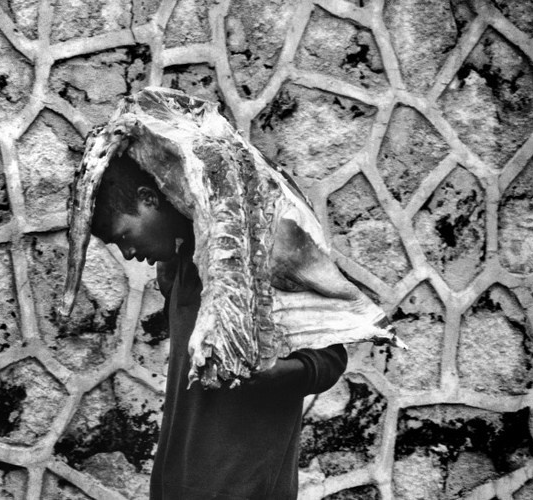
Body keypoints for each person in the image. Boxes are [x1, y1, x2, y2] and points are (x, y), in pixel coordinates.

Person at [91, 154, 348, 500]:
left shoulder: (264, 255)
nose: (128, 252)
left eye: (125, 235)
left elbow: (330, 357)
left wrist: (276, 373)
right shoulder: (181, 267)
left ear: (149, 199)